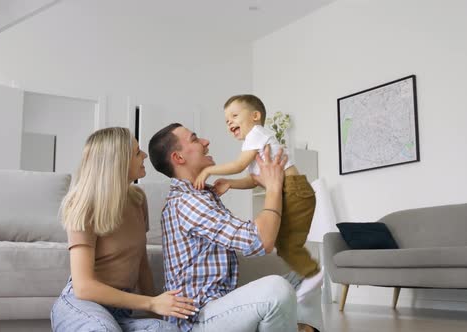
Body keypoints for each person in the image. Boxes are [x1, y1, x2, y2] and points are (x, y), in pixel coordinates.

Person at [148, 123, 323, 332]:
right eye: (195, 139)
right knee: (277, 289)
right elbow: (260, 240)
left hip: (221, 304)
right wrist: (274, 188)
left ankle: (302, 328)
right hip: (198, 321)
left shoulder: (202, 195)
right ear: (178, 158)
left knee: (305, 269)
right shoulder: (187, 202)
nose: (206, 142)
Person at [51, 127, 198, 332]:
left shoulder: (137, 198)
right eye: (137, 152)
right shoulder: (83, 204)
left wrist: (160, 313)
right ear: (117, 162)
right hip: (81, 304)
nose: (145, 155)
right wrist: (150, 302)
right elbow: (83, 287)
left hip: (120, 312)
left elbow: (141, 264)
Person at [194, 94, 322, 294]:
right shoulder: (254, 146)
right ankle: (304, 276)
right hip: (289, 191)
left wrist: (208, 171)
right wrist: (230, 184)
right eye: (227, 121)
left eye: (235, 116)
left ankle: (312, 274)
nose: (230, 123)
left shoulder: (256, 134)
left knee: (288, 245)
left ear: (255, 116)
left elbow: (238, 165)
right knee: (283, 244)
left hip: (294, 190)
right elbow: (254, 179)